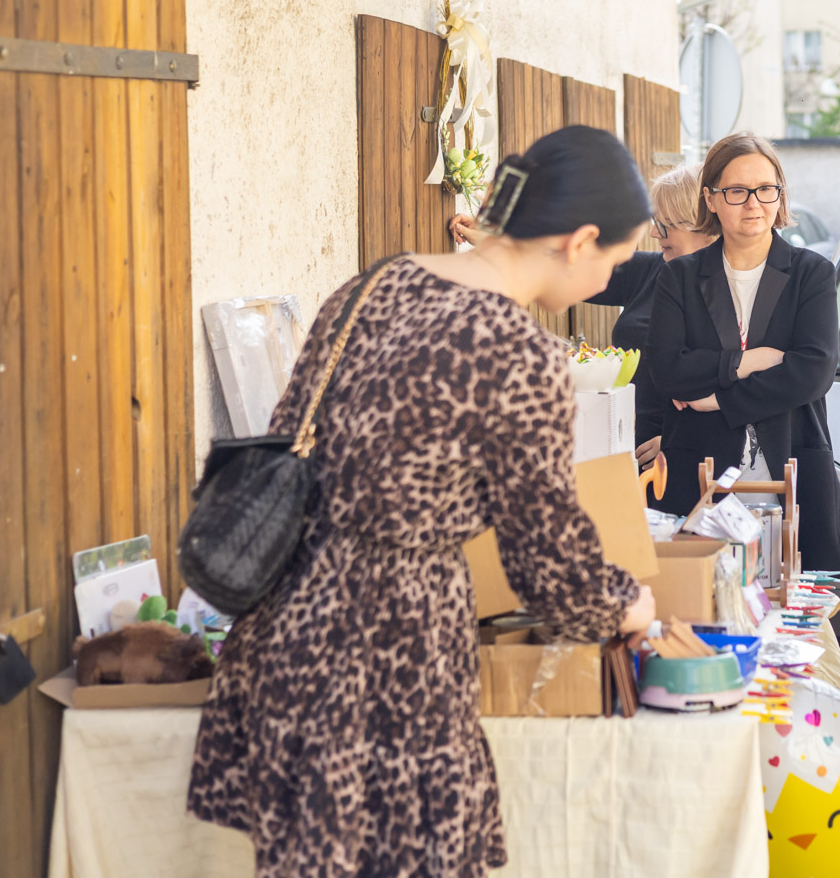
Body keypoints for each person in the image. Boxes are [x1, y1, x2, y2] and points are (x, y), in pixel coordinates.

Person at [189, 125, 658, 878]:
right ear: (580, 241)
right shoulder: (522, 353)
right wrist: (630, 605)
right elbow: (552, 567)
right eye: (615, 260)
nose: (608, 281)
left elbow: (291, 435)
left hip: (284, 623)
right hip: (393, 646)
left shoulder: (374, 284)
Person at [647, 132, 840, 577]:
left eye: (766, 189)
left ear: (779, 194)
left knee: (790, 606)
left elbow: (813, 371)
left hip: (789, 468)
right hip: (700, 473)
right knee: (703, 600)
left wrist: (719, 399)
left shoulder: (811, 273)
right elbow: (667, 371)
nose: (753, 204)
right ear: (711, 198)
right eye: (737, 191)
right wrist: (746, 361)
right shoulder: (679, 278)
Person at [452, 166, 715, 468]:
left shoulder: (727, 294)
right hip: (622, 452)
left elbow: (739, 394)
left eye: (666, 225)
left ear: (702, 227)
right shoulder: (651, 271)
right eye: (656, 222)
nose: (656, 233)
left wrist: (679, 440)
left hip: (683, 463)